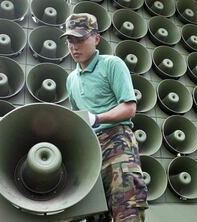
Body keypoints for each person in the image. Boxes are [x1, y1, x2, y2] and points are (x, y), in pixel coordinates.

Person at [61, 13, 148, 222]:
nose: (74, 46)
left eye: (80, 39)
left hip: (118, 143)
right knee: (94, 215)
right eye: (70, 40)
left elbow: (129, 108)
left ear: (96, 38)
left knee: (127, 209)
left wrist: (97, 118)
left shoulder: (112, 64)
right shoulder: (70, 79)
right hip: (90, 150)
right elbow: (79, 117)